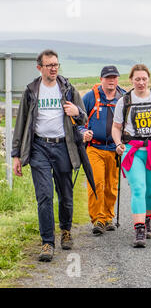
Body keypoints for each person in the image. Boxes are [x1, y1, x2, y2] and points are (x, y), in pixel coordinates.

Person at [12, 49, 87, 262]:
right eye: (49, 65)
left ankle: (65, 230)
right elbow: (21, 124)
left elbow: (83, 118)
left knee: (65, 193)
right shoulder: (31, 91)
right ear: (40, 68)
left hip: (63, 147)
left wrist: (77, 113)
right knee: (44, 196)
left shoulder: (68, 89)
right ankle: (47, 242)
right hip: (39, 148)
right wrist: (16, 155)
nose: (54, 68)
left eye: (56, 64)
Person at [112, 64, 151, 248]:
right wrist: (118, 144)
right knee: (138, 187)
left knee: (150, 191)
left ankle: (147, 220)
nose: (141, 82)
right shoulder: (124, 101)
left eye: (144, 79)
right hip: (132, 150)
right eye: (137, 79)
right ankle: (139, 230)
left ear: (148, 79)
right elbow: (116, 128)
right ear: (131, 80)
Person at [81, 66, 126, 235]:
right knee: (96, 183)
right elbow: (78, 119)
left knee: (111, 186)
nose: (111, 80)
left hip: (115, 149)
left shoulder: (123, 97)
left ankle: (108, 217)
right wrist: (83, 132)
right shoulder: (90, 97)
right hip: (95, 148)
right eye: (108, 77)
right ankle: (97, 219)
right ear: (101, 79)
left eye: (114, 77)